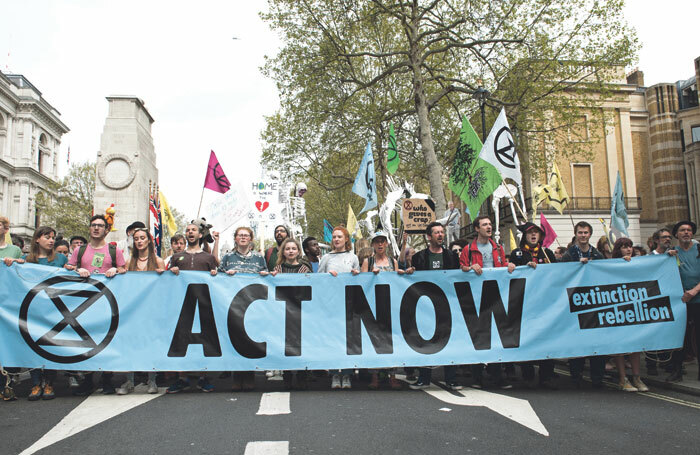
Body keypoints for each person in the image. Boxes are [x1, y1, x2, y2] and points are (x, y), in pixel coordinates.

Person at [65, 214, 127, 395]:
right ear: (90, 228)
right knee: (87, 341)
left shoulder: (114, 251)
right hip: (84, 303)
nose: (96, 228)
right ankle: (88, 379)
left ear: (106, 230)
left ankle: (107, 379)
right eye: (93, 225)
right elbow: (68, 269)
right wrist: (77, 269)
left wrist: (117, 269)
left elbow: (124, 269)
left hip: (107, 303)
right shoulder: (80, 251)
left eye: (100, 225)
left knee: (107, 340)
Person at [459, 216, 515, 389]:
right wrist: (468, 269)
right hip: (477, 299)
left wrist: (509, 266)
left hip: (496, 297)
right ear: (477, 229)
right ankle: (477, 377)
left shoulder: (498, 248)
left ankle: (497, 376)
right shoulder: (468, 250)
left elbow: (503, 265)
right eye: (485, 225)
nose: (489, 227)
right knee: (480, 337)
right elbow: (460, 270)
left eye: (490, 224)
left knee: (497, 337)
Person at [407, 222, 462, 390]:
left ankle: (451, 378)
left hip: (447, 305)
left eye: (442, 232)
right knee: (426, 342)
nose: (440, 235)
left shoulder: (452, 256)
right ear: (429, 237)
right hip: (426, 306)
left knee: (449, 342)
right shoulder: (420, 257)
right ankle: (424, 378)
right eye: (437, 232)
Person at [166, 223, 219, 394]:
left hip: (204, 304)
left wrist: (215, 274)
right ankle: (182, 378)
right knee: (181, 338)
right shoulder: (176, 257)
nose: (190, 232)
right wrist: (171, 272)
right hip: (182, 305)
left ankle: (204, 376)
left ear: (200, 234)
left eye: (193, 230)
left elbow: (218, 280)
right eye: (188, 230)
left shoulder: (207, 258)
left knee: (206, 339)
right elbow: (166, 282)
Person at [218, 226, 270, 391]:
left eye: (246, 235)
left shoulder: (259, 258)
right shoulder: (227, 257)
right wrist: (225, 275)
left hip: (253, 305)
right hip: (232, 305)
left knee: (250, 340)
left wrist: (265, 275)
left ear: (251, 239)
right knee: (235, 339)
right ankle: (237, 376)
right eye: (240, 235)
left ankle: (249, 375)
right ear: (235, 238)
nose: (242, 238)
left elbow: (266, 275)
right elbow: (217, 278)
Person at [117, 228, 166, 395]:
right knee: (129, 344)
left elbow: (165, 286)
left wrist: (164, 274)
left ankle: (152, 380)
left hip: (151, 311)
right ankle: (128, 381)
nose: (139, 241)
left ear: (149, 241)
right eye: (136, 238)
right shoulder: (129, 261)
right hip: (132, 311)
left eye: (142, 238)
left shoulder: (158, 261)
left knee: (150, 344)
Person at [21, 226, 68, 400]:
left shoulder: (61, 259)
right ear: (37, 239)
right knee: (33, 346)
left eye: (53, 238)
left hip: (54, 310)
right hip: (33, 310)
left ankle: (49, 383)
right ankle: (35, 383)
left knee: (50, 346)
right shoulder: (26, 260)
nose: (51, 241)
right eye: (47, 237)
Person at [509, 222, 557, 389]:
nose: (534, 235)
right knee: (527, 338)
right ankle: (527, 372)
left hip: (545, 303)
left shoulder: (547, 253)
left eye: (536, 232)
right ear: (525, 236)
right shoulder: (517, 253)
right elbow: (511, 274)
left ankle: (546, 375)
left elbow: (556, 274)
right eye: (530, 233)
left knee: (547, 339)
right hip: (525, 303)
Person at [560, 221, 606, 388]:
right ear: (576, 234)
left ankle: (597, 377)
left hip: (594, 304)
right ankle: (576, 376)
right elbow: (562, 275)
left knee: (596, 342)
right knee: (577, 342)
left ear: (590, 234)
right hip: (575, 304)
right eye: (580, 232)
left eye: (586, 233)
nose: (583, 235)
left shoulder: (598, 254)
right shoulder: (569, 255)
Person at [361, 231, 406, 390]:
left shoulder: (393, 261)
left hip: (390, 307)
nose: (380, 244)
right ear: (373, 244)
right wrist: (369, 276)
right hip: (372, 307)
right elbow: (361, 284)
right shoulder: (368, 261)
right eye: (377, 242)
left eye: (382, 241)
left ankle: (392, 376)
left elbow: (397, 282)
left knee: (390, 341)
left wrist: (401, 273)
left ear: (386, 244)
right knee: (374, 342)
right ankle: (375, 376)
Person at [318, 226, 360, 389]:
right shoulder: (326, 258)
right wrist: (328, 277)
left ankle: (347, 374)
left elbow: (358, 278)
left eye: (339, 237)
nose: (336, 240)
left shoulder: (353, 257)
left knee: (348, 339)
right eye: (334, 237)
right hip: (332, 304)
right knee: (334, 339)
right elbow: (318, 279)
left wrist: (356, 274)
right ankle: (335, 374)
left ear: (346, 239)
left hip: (349, 303)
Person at [609, 237, 649, 392]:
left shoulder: (637, 263)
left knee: (635, 345)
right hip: (617, 310)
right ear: (618, 250)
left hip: (634, 309)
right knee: (619, 345)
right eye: (624, 247)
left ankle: (637, 377)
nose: (628, 249)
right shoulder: (612, 265)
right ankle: (622, 378)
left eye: (630, 246)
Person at [273, 238, 312, 390]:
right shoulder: (278, 269)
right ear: (283, 251)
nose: (290, 251)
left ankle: (302, 375)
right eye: (287, 248)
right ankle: (287, 374)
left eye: (293, 248)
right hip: (283, 312)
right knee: (286, 344)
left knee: (301, 343)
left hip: (301, 312)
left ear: (298, 251)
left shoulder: (305, 269)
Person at [666, 221, 700, 382]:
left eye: (689, 230)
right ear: (676, 234)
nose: (686, 232)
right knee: (679, 336)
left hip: (697, 299)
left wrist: (694, 291)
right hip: (680, 301)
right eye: (682, 230)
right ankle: (676, 370)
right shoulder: (672, 252)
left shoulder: (699, 248)